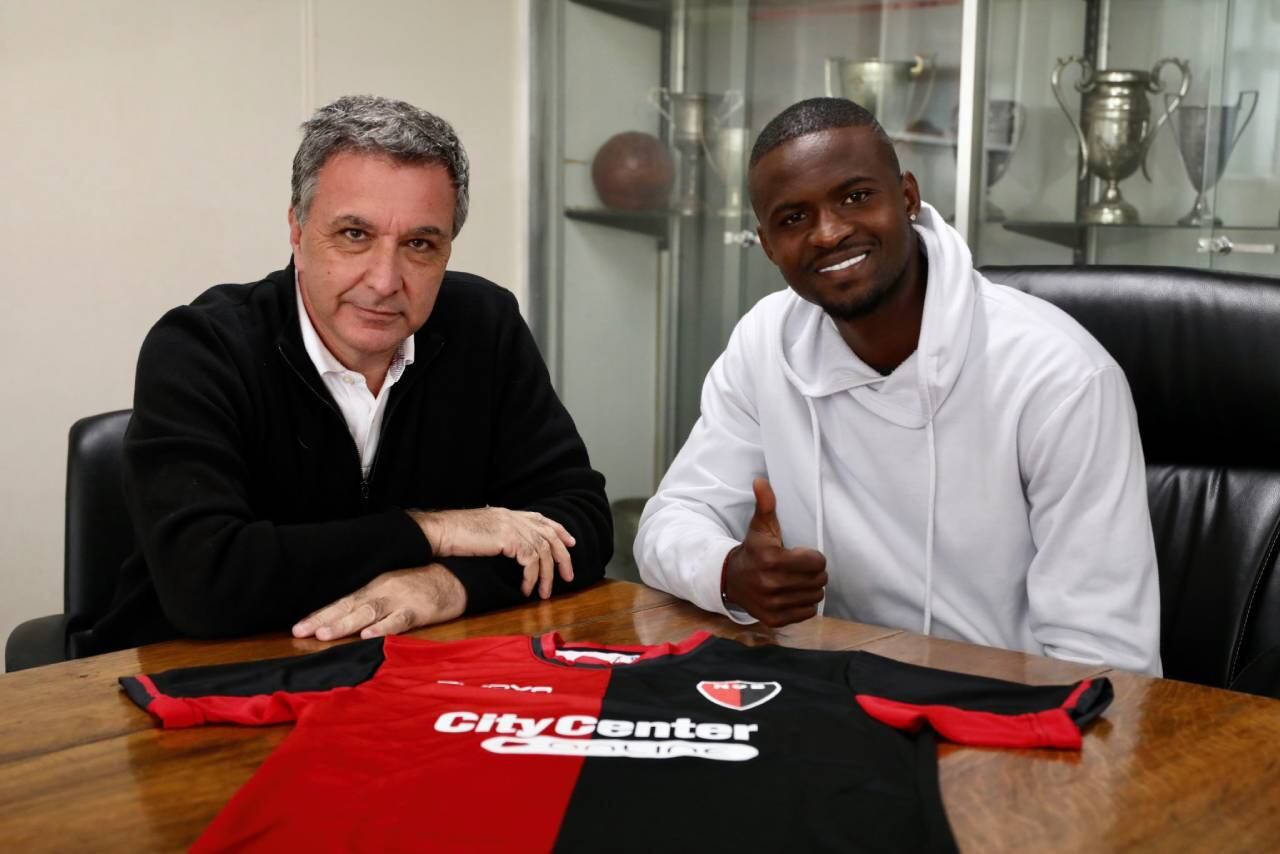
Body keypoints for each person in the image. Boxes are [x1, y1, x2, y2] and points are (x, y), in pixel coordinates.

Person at [635, 97, 1161, 675]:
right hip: (822, 696)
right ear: (767, 245)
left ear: (908, 198)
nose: (829, 233)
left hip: (1002, 720)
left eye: (856, 197)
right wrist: (729, 572)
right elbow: (671, 519)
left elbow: (1107, 662)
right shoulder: (766, 339)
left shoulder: (1058, 374)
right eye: (793, 219)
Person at [78, 95, 611, 655]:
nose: (384, 280)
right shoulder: (200, 348)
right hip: (193, 680)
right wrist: (437, 531)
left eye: (420, 244)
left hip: (404, 676)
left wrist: (447, 584)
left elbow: (579, 525)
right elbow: (206, 582)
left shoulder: (486, 327)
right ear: (297, 231)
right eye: (355, 235)